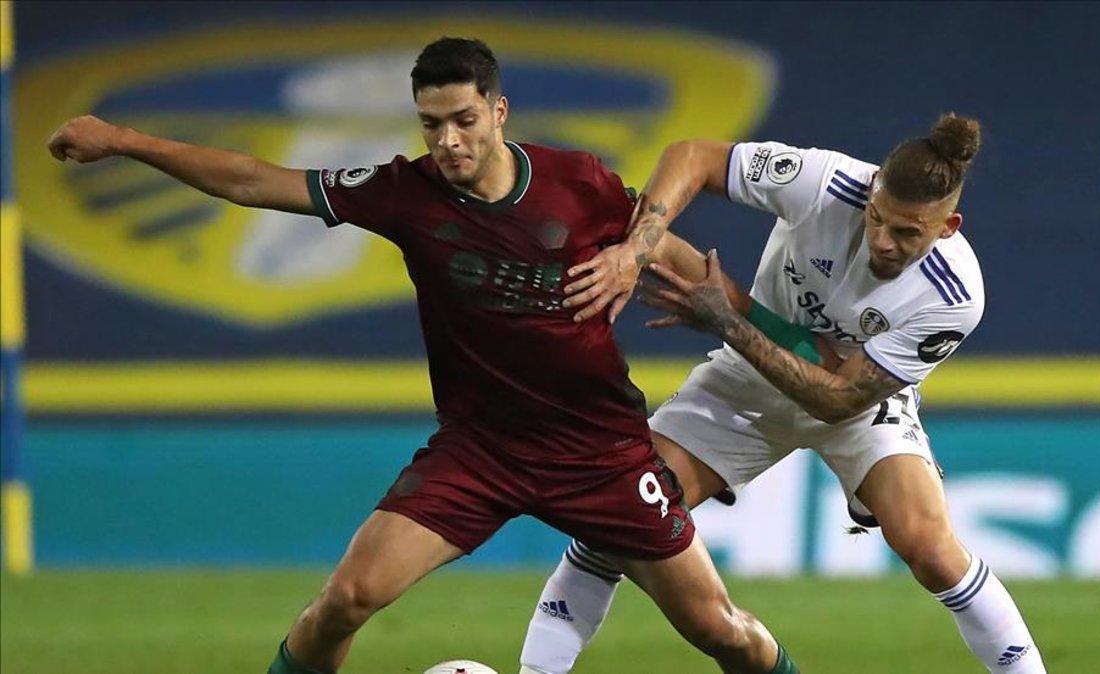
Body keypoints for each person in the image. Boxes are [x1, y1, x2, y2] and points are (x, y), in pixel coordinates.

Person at [47, 38, 804, 674]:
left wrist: (670, 279)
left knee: (718, 630)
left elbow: (682, 263)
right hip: (478, 453)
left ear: (499, 112)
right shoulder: (403, 194)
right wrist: (124, 142)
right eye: (431, 124)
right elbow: (255, 181)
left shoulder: (580, 184)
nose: (448, 142)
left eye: (465, 120)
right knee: (346, 598)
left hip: (601, 455)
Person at [520, 115, 1048, 673]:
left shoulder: (955, 296)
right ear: (871, 192)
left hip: (859, 406)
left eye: (907, 233)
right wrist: (639, 248)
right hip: (741, 384)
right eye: (877, 220)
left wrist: (731, 321)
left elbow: (837, 401)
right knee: (613, 519)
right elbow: (694, 153)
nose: (882, 242)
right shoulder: (826, 183)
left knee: (930, 550)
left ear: (947, 226)